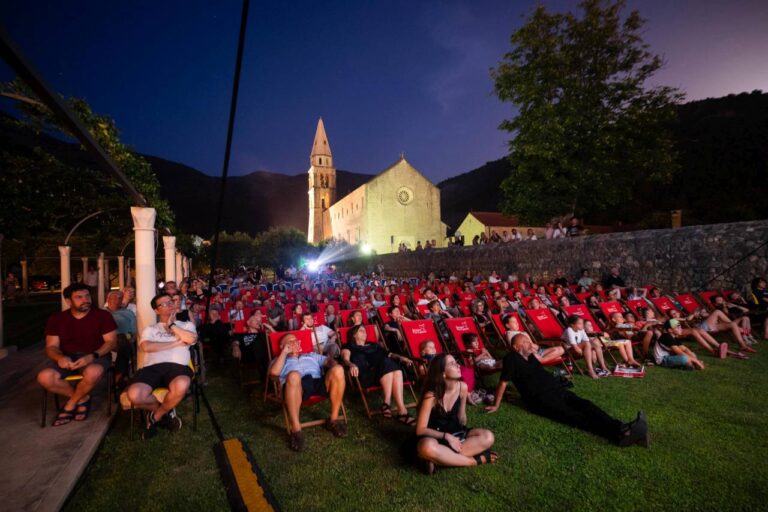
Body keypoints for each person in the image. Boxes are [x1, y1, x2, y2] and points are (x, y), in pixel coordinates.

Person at [486, 333, 649, 448]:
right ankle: (621, 435)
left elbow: (535, 367)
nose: (530, 344)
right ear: (516, 347)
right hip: (542, 399)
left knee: (586, 405)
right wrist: (496, 405)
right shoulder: (511, 359)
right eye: (526, 342)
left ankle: (623, 427)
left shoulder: (530, 356)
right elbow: (503, 383)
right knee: (576, 416)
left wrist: (533, 349)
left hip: (555, 389)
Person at [37, 283, 117, 426]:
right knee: (44, 377)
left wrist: (93, 356)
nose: (85, 300)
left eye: (87, 296)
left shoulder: (102, 315)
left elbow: (111, 342)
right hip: (67, 356)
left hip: (96, 355)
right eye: (79, 297)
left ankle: (70, 404)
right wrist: (60, 358)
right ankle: (83, 398)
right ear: (68, 301)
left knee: (92, 372)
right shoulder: (57, 319)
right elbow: (51, 346)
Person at [126, 293, 197, 438]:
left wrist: (172, 325)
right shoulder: (150, 329)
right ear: (156, 311)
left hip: (178, 367)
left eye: (171, 302)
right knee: (134, 395)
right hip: (152, 367)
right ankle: (168, 410)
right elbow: (147, 347)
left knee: (182, 384)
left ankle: (155, 417)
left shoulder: (187, 325)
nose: (170, 305)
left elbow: (191, 338)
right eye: (164, 304)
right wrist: (176, 343)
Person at [415, 353, 497, 474]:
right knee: (426, 447)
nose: (458, 365)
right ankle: (473, 461)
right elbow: (420, 430)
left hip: (456, 432)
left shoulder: (462, 387)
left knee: (488, 437)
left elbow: (462, 419)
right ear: (443, 373)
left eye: (456, 362)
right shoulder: (431, 396)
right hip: (435, 437)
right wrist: (446, 437)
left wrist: (463, 412)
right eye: (452, 364)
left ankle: (440, 458)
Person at [269, 333, 347, 451]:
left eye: (295, 341)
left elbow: (329, 362)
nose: (294, 343)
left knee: (339, 370)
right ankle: (296, 429)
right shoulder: (278, 360)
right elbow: (273, 373)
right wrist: (284, 353)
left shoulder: (311, 355)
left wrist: (331, 363)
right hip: (296, 387)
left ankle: (333, 420)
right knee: (294, 375)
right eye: (290, 342)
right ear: (282, 346)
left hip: (316, 381)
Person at [342, 324, 415, 425]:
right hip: (366, 375)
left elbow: (389, 354)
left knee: (395, 369)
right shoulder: (349, 346)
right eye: (361, 331)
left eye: (365, 331)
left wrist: (401, 358)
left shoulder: (374, 345)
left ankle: (398, 409)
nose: (365, 333)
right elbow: (345, 359)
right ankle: (396, 410)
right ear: (354, 335)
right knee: (387, 363)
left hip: (383, 373)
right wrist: (351, 364)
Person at [562, 315, 610, 379]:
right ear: (572, 325)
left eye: (582, 323)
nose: (582, 325)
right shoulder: (569, 330)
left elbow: (587, 339)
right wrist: (586, 350)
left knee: (595, 343)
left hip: (578, 347)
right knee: (587, 343)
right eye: (580, 323)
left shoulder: (581, 330)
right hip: (568, 349)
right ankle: (590, 369)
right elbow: (575, 346)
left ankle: (603, 367)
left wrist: (591, 349)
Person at [105, 290, 137, 384]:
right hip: (103, 339)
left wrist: (131, 338)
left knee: (123, 340)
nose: (117, 300)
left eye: (120, 298)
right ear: (108, 299)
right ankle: (119, 376)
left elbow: (134, 331)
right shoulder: (101, 312)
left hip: (121, 339)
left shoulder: (128, 313)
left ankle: (117, 377)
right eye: (114, 297)